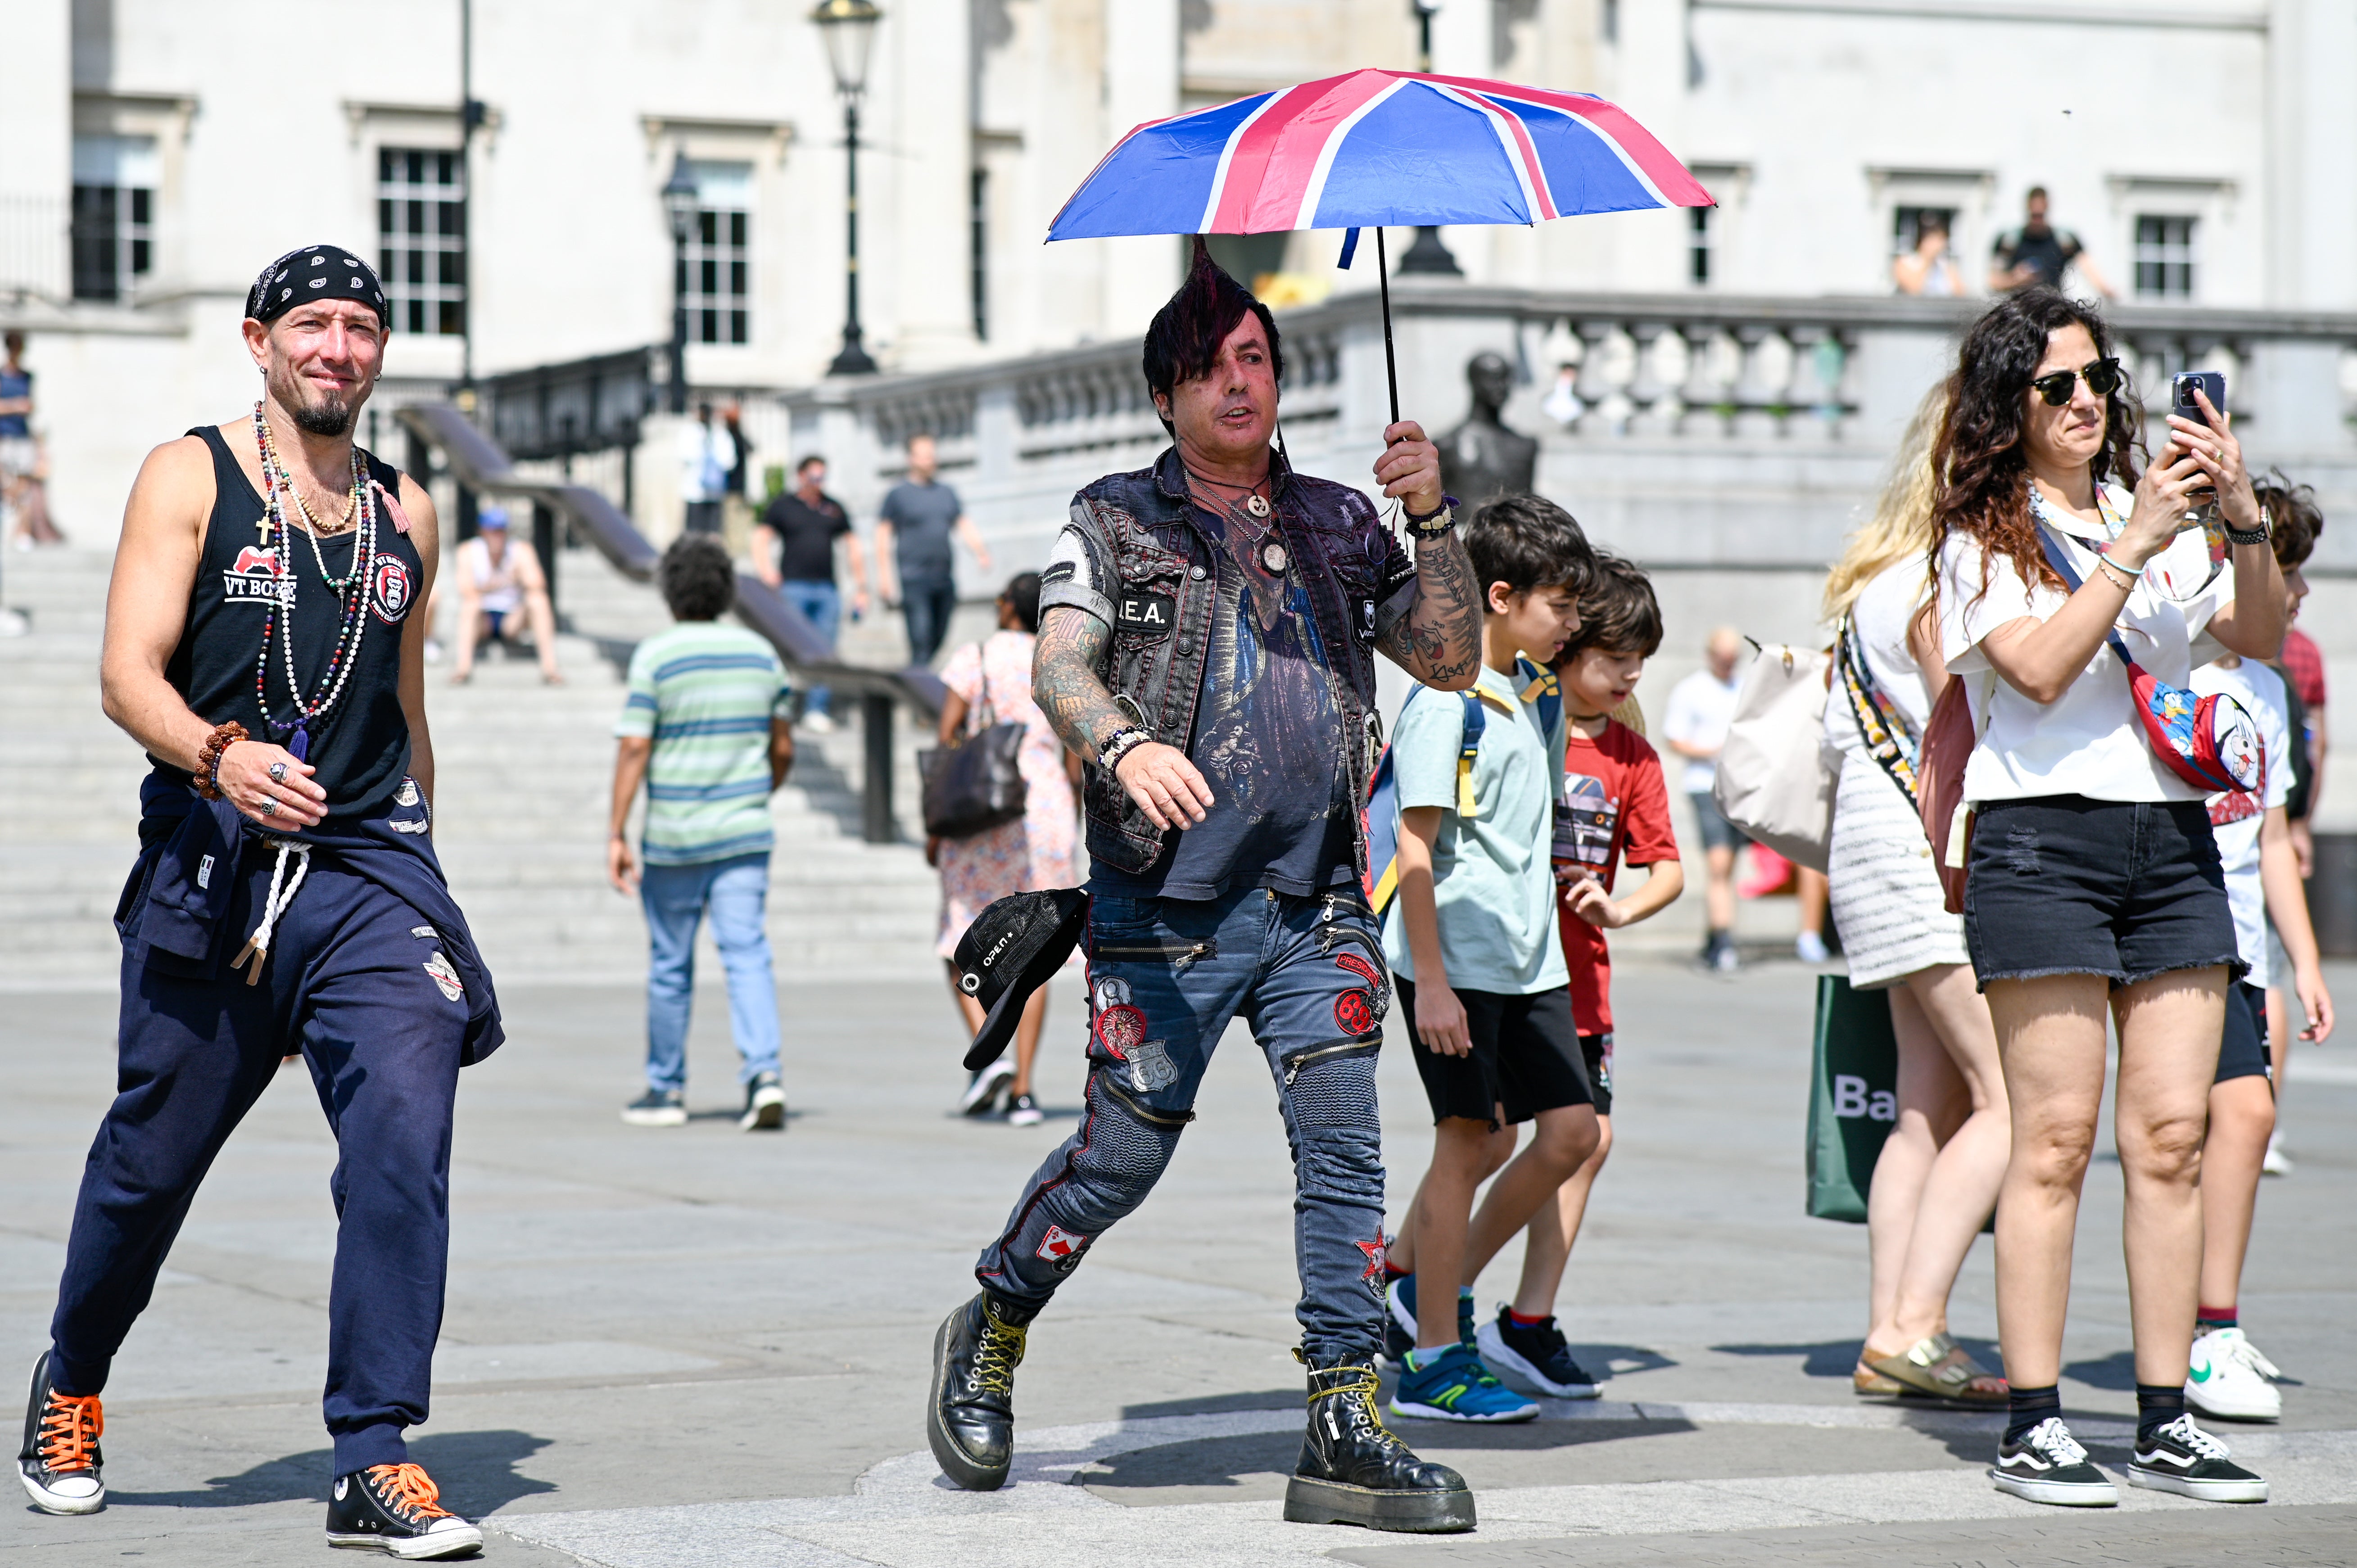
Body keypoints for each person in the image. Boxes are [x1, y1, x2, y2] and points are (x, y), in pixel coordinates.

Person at [926, 239, 1488, 1533]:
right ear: (1164, 395)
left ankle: (1346, 1414)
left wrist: (1434, 514)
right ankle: (994, 1315)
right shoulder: (1115, 515)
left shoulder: (1344, 521)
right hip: (1161, 907)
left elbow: (1451, 659)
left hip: (1318, 906)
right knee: (1120, 1159)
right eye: (1207, 367)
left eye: (1254, 359)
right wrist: (1126, 741)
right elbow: (1061, 665)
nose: (1237, 383)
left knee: (1344, 1150)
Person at [21, 245, 498, 1559]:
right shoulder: (192, 476)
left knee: (405, 1134)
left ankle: (375, 1448)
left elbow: (406, 710)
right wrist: (219, 755)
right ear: (258, 341)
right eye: (312, 326)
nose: (338, 348)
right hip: (216, 852)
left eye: (361, 327)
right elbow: (127, 673)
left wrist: (424, 872)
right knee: (148, 1163)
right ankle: (70, 1376)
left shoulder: (409, 513)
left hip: (369, 871)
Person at [1931, 286, 2285, 1507]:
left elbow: (2258, 632)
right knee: (2057, 1141)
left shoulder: (2164, 512)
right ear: (2009, 408)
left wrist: (2237, 520)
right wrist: (2129, 539)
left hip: (2172, 841)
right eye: (2056, 387)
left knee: (2174, 1136)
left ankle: (2165, 1413)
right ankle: (2034, 1420)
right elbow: (2031, 672)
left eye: (2097, 380)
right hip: (2043, 844)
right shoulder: (1981, 532)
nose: (2087, 402)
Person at [1377, 495, 1596, 1424]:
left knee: (1568, 1132)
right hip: (1454, 958)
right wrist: (1428, 980)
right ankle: (1433, 1354)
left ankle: (1410, 1275)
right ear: (1498, 597)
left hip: (1527, 957)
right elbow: (1413, 850)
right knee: (1469, 1140)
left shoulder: (1533, 695)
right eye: (1559, 606)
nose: (1573, 624)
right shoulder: (1445, 697)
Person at [1821, 386, 2010, 1411]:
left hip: (1869, 853)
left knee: (1922, 1108)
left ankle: (1885, 1330)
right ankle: (1914, 1322)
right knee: (2011, 1099)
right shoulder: (1939, 580)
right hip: (1926, 852)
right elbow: (1958, 727)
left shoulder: (1873, 580)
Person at [1480, 552, 1685, 1399]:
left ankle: (1527, 1319)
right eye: (1614, 658)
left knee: (1586, 1145)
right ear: (1566, 646)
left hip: (1583, 981)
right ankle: (1422, 1282)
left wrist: (1622, 910)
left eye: (1640, 661)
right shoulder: (1521, 719)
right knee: (1487, 1139)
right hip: (1502, 971)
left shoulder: (1632, 755)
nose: (1629, 675)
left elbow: (1666, 864)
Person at [608, 534, 796, 1133]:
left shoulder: (656, 657)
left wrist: (616, 830)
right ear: (726, 590)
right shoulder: (762, 654)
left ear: (669, 591)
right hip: (744, 833)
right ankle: (764, 1075)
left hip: (674, 837)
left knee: (669, 963)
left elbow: (635, 744)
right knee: (747, 955)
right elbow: (783, 746)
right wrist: (758, 791)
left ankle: (665, 1088)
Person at [935, 573, 1080, 1127]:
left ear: (1003, 607)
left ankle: (985, 1050)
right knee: (1035, 951)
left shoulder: (975, 655)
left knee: (960, 932)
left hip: (981, 808)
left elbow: (949, 734)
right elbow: (1076, 746)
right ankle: (1023, 1090)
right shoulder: (1062, 659)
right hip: (1044, 809)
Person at [2256, 478, 2326, 1176]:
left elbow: (2272, 831)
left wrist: (2309, 962)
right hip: (2180, 912)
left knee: (2242, 1123)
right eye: (2288, 573)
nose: (2301, 592)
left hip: (2249, 905)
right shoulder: (2173, 668)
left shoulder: (2273, 681)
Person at [752, 453, 870, 732]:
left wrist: (862, 587)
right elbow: (761, 537)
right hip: (793, 587)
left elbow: (852, 545)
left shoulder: (833, 508)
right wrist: (767, 572)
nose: (818, 483)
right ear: (801, 476)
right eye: (813, 477)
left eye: (822, 477)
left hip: (827, 589)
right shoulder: (784, 506)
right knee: (787, 647)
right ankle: (781, 705)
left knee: (825, 650)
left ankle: (817, 709)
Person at [1662, 626, 1747, 971]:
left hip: (1739, 787)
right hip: (1705, 785)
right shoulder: (1691, 690)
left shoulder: (1742, 687)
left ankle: (1715, 935)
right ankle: (1723, 939)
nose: (1728, 665)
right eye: (1723, 658)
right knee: (1719, 865)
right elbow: (1674, 737)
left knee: (1729, 867)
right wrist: (1712, 751)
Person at [877, 433, 993, 666]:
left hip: (943, 578)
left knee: (938, 637)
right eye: (924, 456)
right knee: (921, 638)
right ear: (911, 458)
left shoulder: (946, 492)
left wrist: (980, 552)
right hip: (914, 578)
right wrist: (885, 577)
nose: (930, 460)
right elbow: (883, 535)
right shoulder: (898, 495)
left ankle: (917, 678)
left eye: (932, 455)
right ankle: (920, 687)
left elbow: (962, 523)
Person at [448, 504, 562, 685]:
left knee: (538, 600)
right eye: (493, 531)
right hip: (483, 618)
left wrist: (518, 577)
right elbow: (466, 589)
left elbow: (538, 584)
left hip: (512, 618)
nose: (498, 536)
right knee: (471, 604)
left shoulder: (521, 550)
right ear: (482, 532)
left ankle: (550, 668)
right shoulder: (469, 551)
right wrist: (503, 582)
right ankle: (463, 667)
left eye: (501, 530)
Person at [1990, 187, 2114, 299]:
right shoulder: (2010, 242)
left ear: (2047, 208)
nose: (2037, 220)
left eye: (2040, 215)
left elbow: (2087, 266)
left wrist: (2106, 290)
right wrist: (2015, 279)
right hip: (2020, 311)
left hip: (2052, 309)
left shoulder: (2065, 241)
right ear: (2027, 209)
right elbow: (1993, 281)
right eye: (2034, 216)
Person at [1, 330, 63, 549]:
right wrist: (15, 406)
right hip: (4, 437)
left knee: (28, 487)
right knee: (8, 485)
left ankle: (22, 533)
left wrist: (40, 443)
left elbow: (34, 408)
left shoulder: (28, 377)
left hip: (22, 436)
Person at [678, 401, 729, 537]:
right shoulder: (691, 432)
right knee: (695, 532)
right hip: (695, 492)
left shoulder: (719, 433)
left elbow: (728, 460)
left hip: (715, 491)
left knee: (713, 533)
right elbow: (685, 455)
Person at [1894, 215, 1966, 298]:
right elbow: (1914, 290)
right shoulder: (1905, 262)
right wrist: (1928, 259)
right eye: (1933, 239)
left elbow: (1961, 294)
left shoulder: (1945, 265)